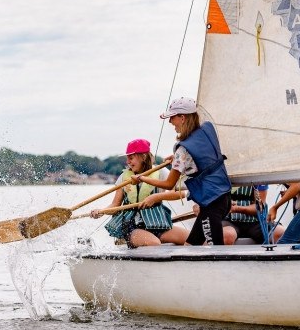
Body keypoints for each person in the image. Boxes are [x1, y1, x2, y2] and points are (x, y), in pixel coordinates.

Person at [133, 97, 232, 246]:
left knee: (217, 251)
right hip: (224, 197)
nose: (170, 122)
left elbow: (169, 184)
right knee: (189, 246)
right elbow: (204, 156)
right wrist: (176, 158)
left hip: (211, 204)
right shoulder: (206, 130)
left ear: (182, 118)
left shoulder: (183, 150)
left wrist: (142, 178)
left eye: (172, 117)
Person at [90, 139, 188, 248]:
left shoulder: (161, 172)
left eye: (131, 158)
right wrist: (102, 211)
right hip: (133, 227)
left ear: (143, 157)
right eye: (127, 158)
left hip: (158, 224)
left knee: (195, 239)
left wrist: (156, 197)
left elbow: (181, 193)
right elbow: (115, 205)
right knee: (154, 243)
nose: (128, 162)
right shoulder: (123, 177)